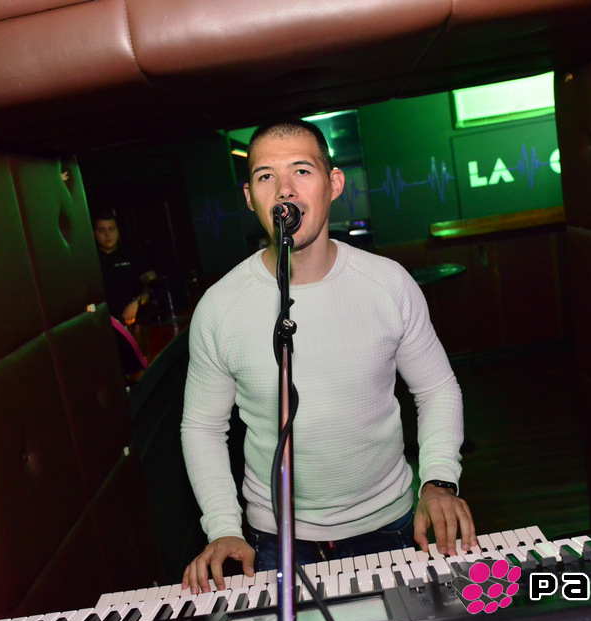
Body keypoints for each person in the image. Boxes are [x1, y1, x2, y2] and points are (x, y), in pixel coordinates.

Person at [180, 119, 475, 594]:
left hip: (391, 526)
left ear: (334, 184)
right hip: (274, 538)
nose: (284, 189)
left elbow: (436, 388)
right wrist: (222, 527)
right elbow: (202, 426)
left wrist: (439, 480)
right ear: (250, 197)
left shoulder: (388, 283)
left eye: (302, 171)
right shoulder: (219, 307)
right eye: (265, 176)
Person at [93, 213, 154, 374]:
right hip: (104, 330)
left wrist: (137, 302)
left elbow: (151, 285)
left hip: (134, 327)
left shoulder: (132, 253)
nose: (107, 235)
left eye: (111, 229)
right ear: (94, 233)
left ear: (118, 230)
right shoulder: (90, 259)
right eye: (102, 230)